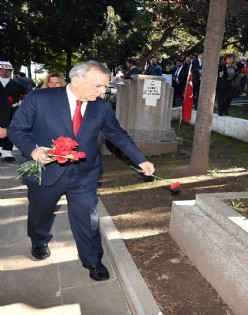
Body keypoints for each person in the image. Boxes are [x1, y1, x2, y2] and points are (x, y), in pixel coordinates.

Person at [8, 60, 155, 281]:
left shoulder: (101, 107)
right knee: (40, 213)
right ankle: (39, 239)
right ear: (77, 80)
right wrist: (34, 151)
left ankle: (93, 260)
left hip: (84, 174)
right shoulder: (40, 99)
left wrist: (140, 160)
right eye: (98, 86)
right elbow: (17, 130)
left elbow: (118, 135)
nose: (103, 92)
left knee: (87, 218)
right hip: (46, 172)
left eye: (106, 87)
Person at [0, 61, 28, 161]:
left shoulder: (17, 84)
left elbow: (26, 96)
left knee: (10, 129)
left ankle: (7, 151)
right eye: (2, 70)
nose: (6, 72)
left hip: (13, 110)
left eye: (8, 70)